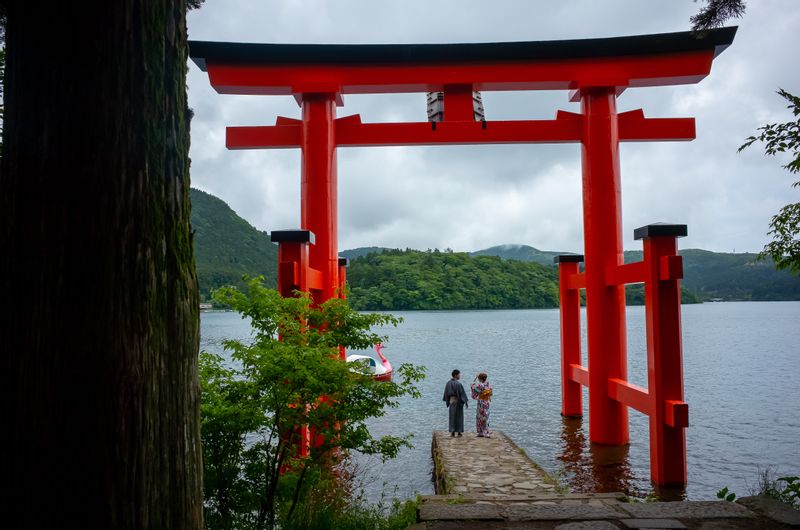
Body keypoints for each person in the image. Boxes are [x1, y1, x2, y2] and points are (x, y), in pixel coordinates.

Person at [442, 369, 468, 437]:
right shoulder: (458, 384)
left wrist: (448, 401)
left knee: (452, 416)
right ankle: (459, 431)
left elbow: (446, 394)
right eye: (459, 374)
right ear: (456, 375)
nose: (460, 376)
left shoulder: (448, 383)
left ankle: (452, 431)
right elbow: (462, 394)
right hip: (458, 401)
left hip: (451, 401)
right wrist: (465, 401)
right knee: (459, 416)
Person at [470, 372, 493, 438]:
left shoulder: (480, 385)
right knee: (486, 416)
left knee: (480, 417)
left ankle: (481, 432)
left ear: (480, 379)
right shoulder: (488, 384)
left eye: (478, 378)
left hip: (481, 403)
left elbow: (472, 386)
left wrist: (475, 378)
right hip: (487, 402)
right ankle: (486, 432)